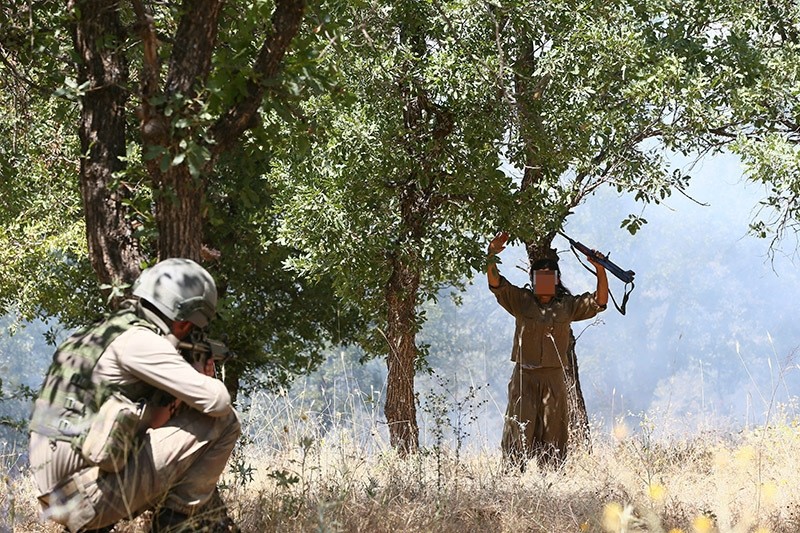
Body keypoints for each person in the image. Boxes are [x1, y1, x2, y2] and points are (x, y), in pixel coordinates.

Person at [28, 258, 241, 532]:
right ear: (185, 323)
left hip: (55, 494)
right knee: (224, 422)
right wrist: (200, 378)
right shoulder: (141, 342)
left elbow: (145, 422)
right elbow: (218, 402)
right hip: (85, 497)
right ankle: (177, 524)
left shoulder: (93, 335)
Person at [487, 231, 607, 470]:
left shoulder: (567, 306)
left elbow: (599, 302)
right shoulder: (521, 301)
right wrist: (491, 254)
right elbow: (496, 283)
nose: (544, 281)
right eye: (539, 277)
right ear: (532, 280)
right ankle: (512, 477)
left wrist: (600, 269)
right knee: (518, 430)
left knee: (554, 432)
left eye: (549, 277)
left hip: (553, 377)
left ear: (556, 280)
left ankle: (551, 480)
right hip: (524, 377)